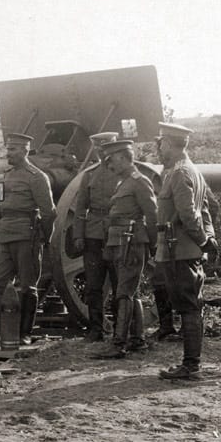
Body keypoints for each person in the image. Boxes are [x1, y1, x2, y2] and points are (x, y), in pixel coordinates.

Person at [154, 123, 217, 380]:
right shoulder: (191, 171)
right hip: (179, 249)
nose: (159, 149)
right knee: (190, 306)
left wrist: (203, 241)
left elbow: (189, 214)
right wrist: (208, 240)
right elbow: (206, 210)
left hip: (178, 250)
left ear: (169, 144)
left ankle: (191, 366)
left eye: (161, 144)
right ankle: (191, 364)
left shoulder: (180, 173)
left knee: (189, 307)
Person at [91, 140, 158, 358]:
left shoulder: (139, 181)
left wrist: (152, 244)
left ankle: (118, 344)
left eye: (111, 160)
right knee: (130, 292)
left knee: (123, 293)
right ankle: (137, 340)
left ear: (122, 157)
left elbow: (152, 215)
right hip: (121, 242)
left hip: (131, 242)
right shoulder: (124, 182)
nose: (109, 165)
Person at [0, 132, 56, 345]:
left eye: (13, 149)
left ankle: (24, 333)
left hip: (26, 235)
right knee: (0, 282)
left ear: (25, 150)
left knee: (28, 286)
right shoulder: (7, 175)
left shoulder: (36, 177)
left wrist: (44, 237)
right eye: (7, 148)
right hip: (5, 234)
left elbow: (49, 212)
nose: (8, 153)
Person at [72, 131, 120, 341]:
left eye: (107, 148)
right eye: (99, 148)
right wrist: (78, 235)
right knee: (93, 285)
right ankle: (95, 328)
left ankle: (121, 327)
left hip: (117, 233)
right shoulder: (89, 175)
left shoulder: (124, 173)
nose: (103, 153)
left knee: (120, 284)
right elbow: (80, 207)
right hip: (93, 234)